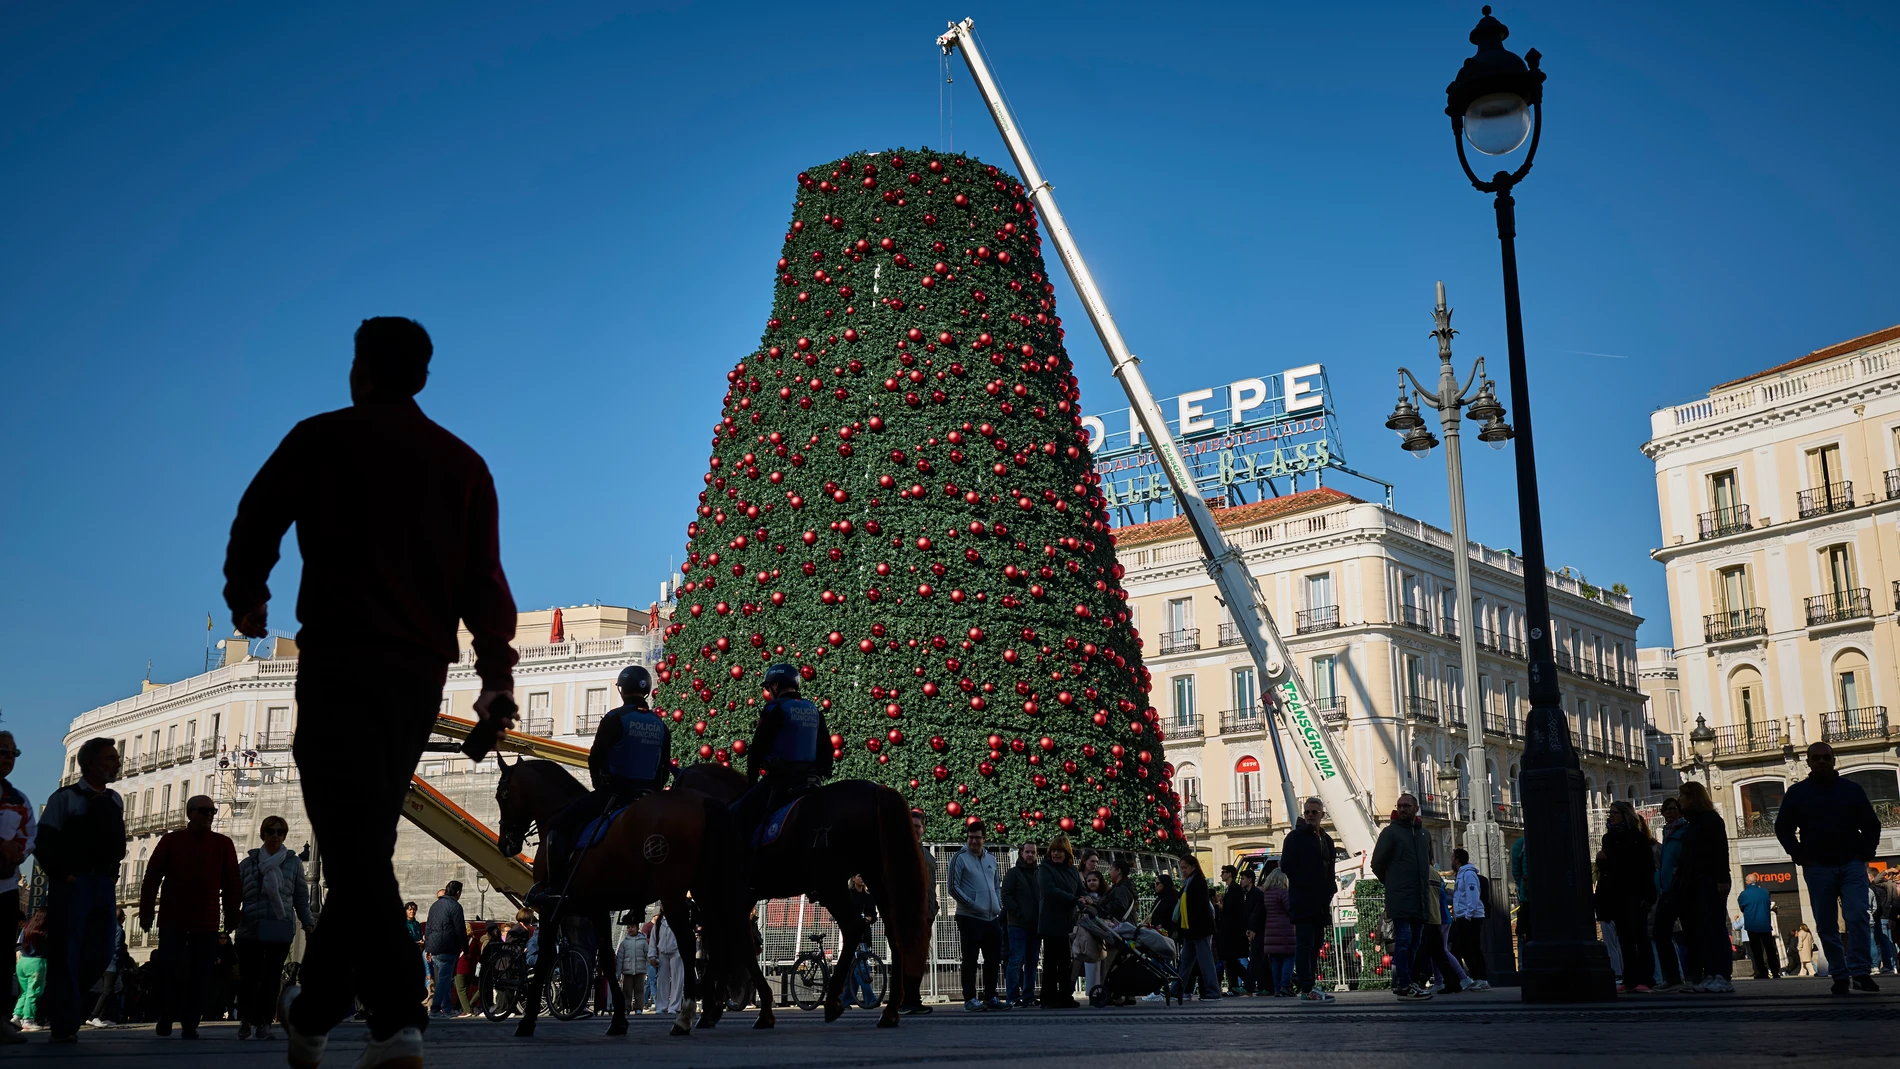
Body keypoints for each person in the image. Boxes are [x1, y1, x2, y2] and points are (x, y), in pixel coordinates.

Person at [224, 316, 518, 1068]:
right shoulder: (464, 465)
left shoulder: (319, 438)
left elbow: (257, 515)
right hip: (417, 678)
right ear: (422, 378)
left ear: (359, 372)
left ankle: (392, 1018)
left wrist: (248, 594)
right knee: (367, 841)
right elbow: (483, 582)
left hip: (339, 663)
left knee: (354, 842)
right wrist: (494, 679)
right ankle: (318, 1008)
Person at [532, 665, 669, 910]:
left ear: (622, 689)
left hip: (615, 794)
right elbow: (664, 767)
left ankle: (554, 889)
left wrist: (600, 787)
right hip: (648, 796)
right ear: (646, 690)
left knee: (558, 825)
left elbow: (595, 758)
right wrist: (654, 793)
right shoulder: (660, 725)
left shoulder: (615, 719)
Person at [37, 737, 126, 1043]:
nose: (116, 763)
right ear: (89, 764)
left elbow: (117, 843)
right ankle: (64, 1022)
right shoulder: (65, 799)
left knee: (101, 953)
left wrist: (112, 875)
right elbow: (44, 841)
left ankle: (60, 999)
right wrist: (64, 875)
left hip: (103, 884)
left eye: (116, 758)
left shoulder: (115, 800)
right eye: (110, 758)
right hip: (73, 884)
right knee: (67, 952)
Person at [1774, 741, 1881, 994]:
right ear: (1808, 762)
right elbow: (1783, 827)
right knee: (1826, 924)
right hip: (1817, 866)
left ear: (1833, 760)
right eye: (1816, 758)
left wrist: (1865, 853)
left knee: (1857, 916)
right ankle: (1840, 974)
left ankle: (1861, 971)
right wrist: (1800, 855)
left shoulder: (1851, 790)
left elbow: (1871, 823)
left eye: (1826, 757)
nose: (1822, 761)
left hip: (1852, 864)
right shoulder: (1798, 793)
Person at [733, 665, 833, 852]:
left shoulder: (774, 708)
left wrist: (752, 780)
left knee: (738, 818)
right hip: (811, 782)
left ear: (776, 685)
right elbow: (827, 750)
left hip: (781, 782)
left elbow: (758, 748)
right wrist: (821, 771)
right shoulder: (813, 709)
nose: (768, 692)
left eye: (768, 687)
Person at [235, 814, 315, 1039]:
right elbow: (235, 896)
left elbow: (300, 896)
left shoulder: (293, 863)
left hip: (279, 927)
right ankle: (246, 1020)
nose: (276, 836)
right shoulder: (248, 863)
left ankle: (264, 1022)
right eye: (271, 831)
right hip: (250, 928)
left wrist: (308, 923)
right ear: (263, 834)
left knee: (271, 978)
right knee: (249, 977)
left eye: (280, 832)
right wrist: (232, 918)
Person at [1371, 793, 1435, 1001]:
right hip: (1400, 898)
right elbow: (1377, 863)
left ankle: (1409, 983)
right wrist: (1392, 883)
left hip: (1419, 898)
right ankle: (1405, 984)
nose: (1402, 809)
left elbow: (1428, 864)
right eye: (1399, 806)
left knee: (1415, 943)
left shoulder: (1424, 835)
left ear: (1416, 808)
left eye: (1407, 806)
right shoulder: (1390, 833)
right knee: (1404, 941)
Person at [1676, 781, 1734, 992]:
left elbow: (1720, 850)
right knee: (1704, 930)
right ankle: (1711, 973)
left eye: (1682, 796)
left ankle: (1722, 975)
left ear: (1692, 798)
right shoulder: (1693, 823)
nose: (1679, 800)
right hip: (1697, 882)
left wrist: (1722, 878)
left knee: (1715, 928)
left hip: (1709, 880)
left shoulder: (1710, 820)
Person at [1596, 800, 1657, 992]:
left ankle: (1645, 979)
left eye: (1615, 813)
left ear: (1625, 815)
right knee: (1624, 938)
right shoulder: (1608, 838)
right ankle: (1630, 978)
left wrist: (1648, 896)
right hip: (1615, 894)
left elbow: (1646, 868)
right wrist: (1601, 861)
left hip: (1634, 893)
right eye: (1610, 813)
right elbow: (1606, 868)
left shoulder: (1637, 838)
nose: (1611, 816)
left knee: (1639, 936)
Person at [1281, 797, 1336, 1003]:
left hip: (1321, 902)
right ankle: (1306, 987)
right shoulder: (1295, 838)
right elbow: (1286, 865)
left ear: (1322, 814)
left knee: (1316, 944)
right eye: (1307, 812)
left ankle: (1310, 984)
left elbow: (1329, 867)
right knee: (1304, 944)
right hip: (1303, 899)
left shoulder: (1327, 840)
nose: (1311, 815)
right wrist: (1305, 882)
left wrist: (1330, 889)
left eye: (1314, 812)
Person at [948, 821, 1005, 1011]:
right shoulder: (959, 858)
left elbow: (996, 885)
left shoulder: (991, 859)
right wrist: (972, 905)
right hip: (969, 917)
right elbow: (953, 887)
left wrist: (997, 904)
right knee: (970, 959)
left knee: (993, 959)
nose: (973, 841)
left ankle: (991, 997)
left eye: (977, 838)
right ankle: (970, 998)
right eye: (970, 837)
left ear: (984, 839)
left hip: (991, 917)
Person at [0, 731, 34, 1045]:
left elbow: (29, 835)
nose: (8, 757)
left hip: (6, 884)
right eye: (2, 751)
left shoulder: (19, 800)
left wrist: (14, 855)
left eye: (14, 752)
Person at [895, 808, 938, 1015]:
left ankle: (914, 998)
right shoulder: (899, 851)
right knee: (906, 957)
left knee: (919, 959)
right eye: (911, 826)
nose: (915, 830)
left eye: (918, 827)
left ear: (924, 829)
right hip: (908, 914)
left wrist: (934, 907)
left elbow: (932, 885)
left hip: (926, 914)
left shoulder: (927, 855)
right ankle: (903, 1001)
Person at [1035, 834, 1086, 1009]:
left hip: (1067, 922)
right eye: (1054, 850)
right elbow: (1050, 891)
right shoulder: (1045, 868)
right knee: (1051, 961)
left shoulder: (1072, 870)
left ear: (1067, 853)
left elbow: (1080, 888)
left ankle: (1065, 996)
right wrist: (1075, 899)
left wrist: (1086, 897)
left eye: (1060, 851)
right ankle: (1048, 997)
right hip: (1051, 921)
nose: (1056, 854)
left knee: (1065, 962)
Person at [1649, 796, 1690, 991]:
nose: (1668, 813)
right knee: (1660, 931)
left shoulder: (1685, 831)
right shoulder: (1667, 832)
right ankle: (1673, 976)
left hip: (1681, 887)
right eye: (1665, 810)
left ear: (1681, 811)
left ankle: (1693, 974)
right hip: (1667, 889)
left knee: (1689, 932)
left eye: (1672, 809)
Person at [1174, 855, 1220, 1001]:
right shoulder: (1190, 882)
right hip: (1192, 929)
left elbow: (1198, 907)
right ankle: (1176, 990)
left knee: (1204, 960)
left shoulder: (1198, 882)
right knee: (1186, 960)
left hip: (1199, 928)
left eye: (1185, 867)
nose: (1183, 871)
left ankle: (1213, 992)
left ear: (1193, 866)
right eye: (1181, 868)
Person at [1001, 841, 1040, 1007]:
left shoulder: (1040, 874)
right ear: (1021, 853)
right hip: (1017, 924)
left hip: (1035, 925)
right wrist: (1018, 913)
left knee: (1032, 962)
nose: (1030, 855)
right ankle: (1012, 996)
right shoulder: (1013, 873)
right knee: (1016, 960)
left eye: (1033, 852)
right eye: (1027, 852)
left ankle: (1029, 995)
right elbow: (1006, 895)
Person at [424, 882, 468, 1018]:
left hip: (434, 947)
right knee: (444, 979)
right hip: (447, 946)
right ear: (458, 893)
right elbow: (460, 930)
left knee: (443, 979)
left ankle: (447, 1007)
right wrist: (465, 949)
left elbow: (428, 927)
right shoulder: (455, 906)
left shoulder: (435, 905)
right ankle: (436, 1008)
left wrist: (428, 948)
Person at [1448, 848, 1490, 990]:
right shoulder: (1461, 874)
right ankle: (1474, 977)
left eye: (1452, 858)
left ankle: (1482, 979)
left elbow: (1473, 896)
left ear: (1457, 860)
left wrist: (1467, 915)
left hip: (1471, 917)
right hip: (1463, 916)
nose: (1451, 861)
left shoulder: (1469, 874)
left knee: (1474, 948)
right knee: (1463, 949)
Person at [1256, 868, 1296, 996]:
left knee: (1276, 961)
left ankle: (1277, 988)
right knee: (1289, 957)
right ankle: (1285, 985)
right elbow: (1290, 909)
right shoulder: (1283, 893)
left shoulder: (1266, 894)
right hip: (1285, 930)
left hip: (1270, 931)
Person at [1735, 874, 1781, 981]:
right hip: (1765, 925)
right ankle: (1775, 972)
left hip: (1752, 926)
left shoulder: (1744, 894)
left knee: (1757, 951)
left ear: (1747, 882)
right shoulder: (1765, 892)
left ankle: (1762, 972)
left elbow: (1742, 908)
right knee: (1770, 950)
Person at [845, 878, 880, 1008]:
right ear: (853, 879)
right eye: (859, 875)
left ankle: (844, 1000)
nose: (862, 878)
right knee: (861, 968)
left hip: (863, 935)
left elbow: (874, 915)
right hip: (852, 934)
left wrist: (869, 918)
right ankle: (870, 999)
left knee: (854, 969)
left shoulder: (868, 897)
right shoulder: (849, 895)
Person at [12, 909, 48, 1032]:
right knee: (34, 992)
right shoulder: (44, 931)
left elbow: (19, 944)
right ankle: (28, 1020)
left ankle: (16, 1016)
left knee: (24, 992)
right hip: (37, 963)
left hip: (22, 962)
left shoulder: (27, 928)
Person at [1217, 865, 1251, 995]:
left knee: (1231, 959)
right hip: (1229, 931)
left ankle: (1244, 982)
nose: (1221, 875)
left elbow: (1233, 911)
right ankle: (1236, 986)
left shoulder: (1235, 889)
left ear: (1230, 874)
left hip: (1232, 932)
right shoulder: (1230, 889)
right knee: (1230, 960)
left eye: (1223, 872)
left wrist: (1221, 907)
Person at [653, 906, 682, 1015]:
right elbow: (654, 938)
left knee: (677, 980)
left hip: (676, 952)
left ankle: (674, 1006)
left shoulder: (679, 918)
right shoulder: (659, 922)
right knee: (662, 981)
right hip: (662, 952)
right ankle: (661, 1005)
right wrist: (652, 955)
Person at [616, 915, 648, 1014]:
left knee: (639, 990)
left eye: (632, 927)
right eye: (629, 927)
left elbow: (647, 955)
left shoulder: (643, 942)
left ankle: (639, 1007)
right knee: (627, 991)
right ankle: (626, 1007)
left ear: (637, 928)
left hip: (640, 970)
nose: (630, 929)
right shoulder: (624, 943)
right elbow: (620, 959)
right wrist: (618, 972)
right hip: (627, 971)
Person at [1869, 865, 1896, 976]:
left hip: (1881, 917)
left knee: (1878, 942)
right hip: (1884, 916)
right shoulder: (1884, 886)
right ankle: (1890, 966)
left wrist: (1887, 871)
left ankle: (1878, 965)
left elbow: (1875, 906)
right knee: (1886, 942)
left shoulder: (1876, 887)